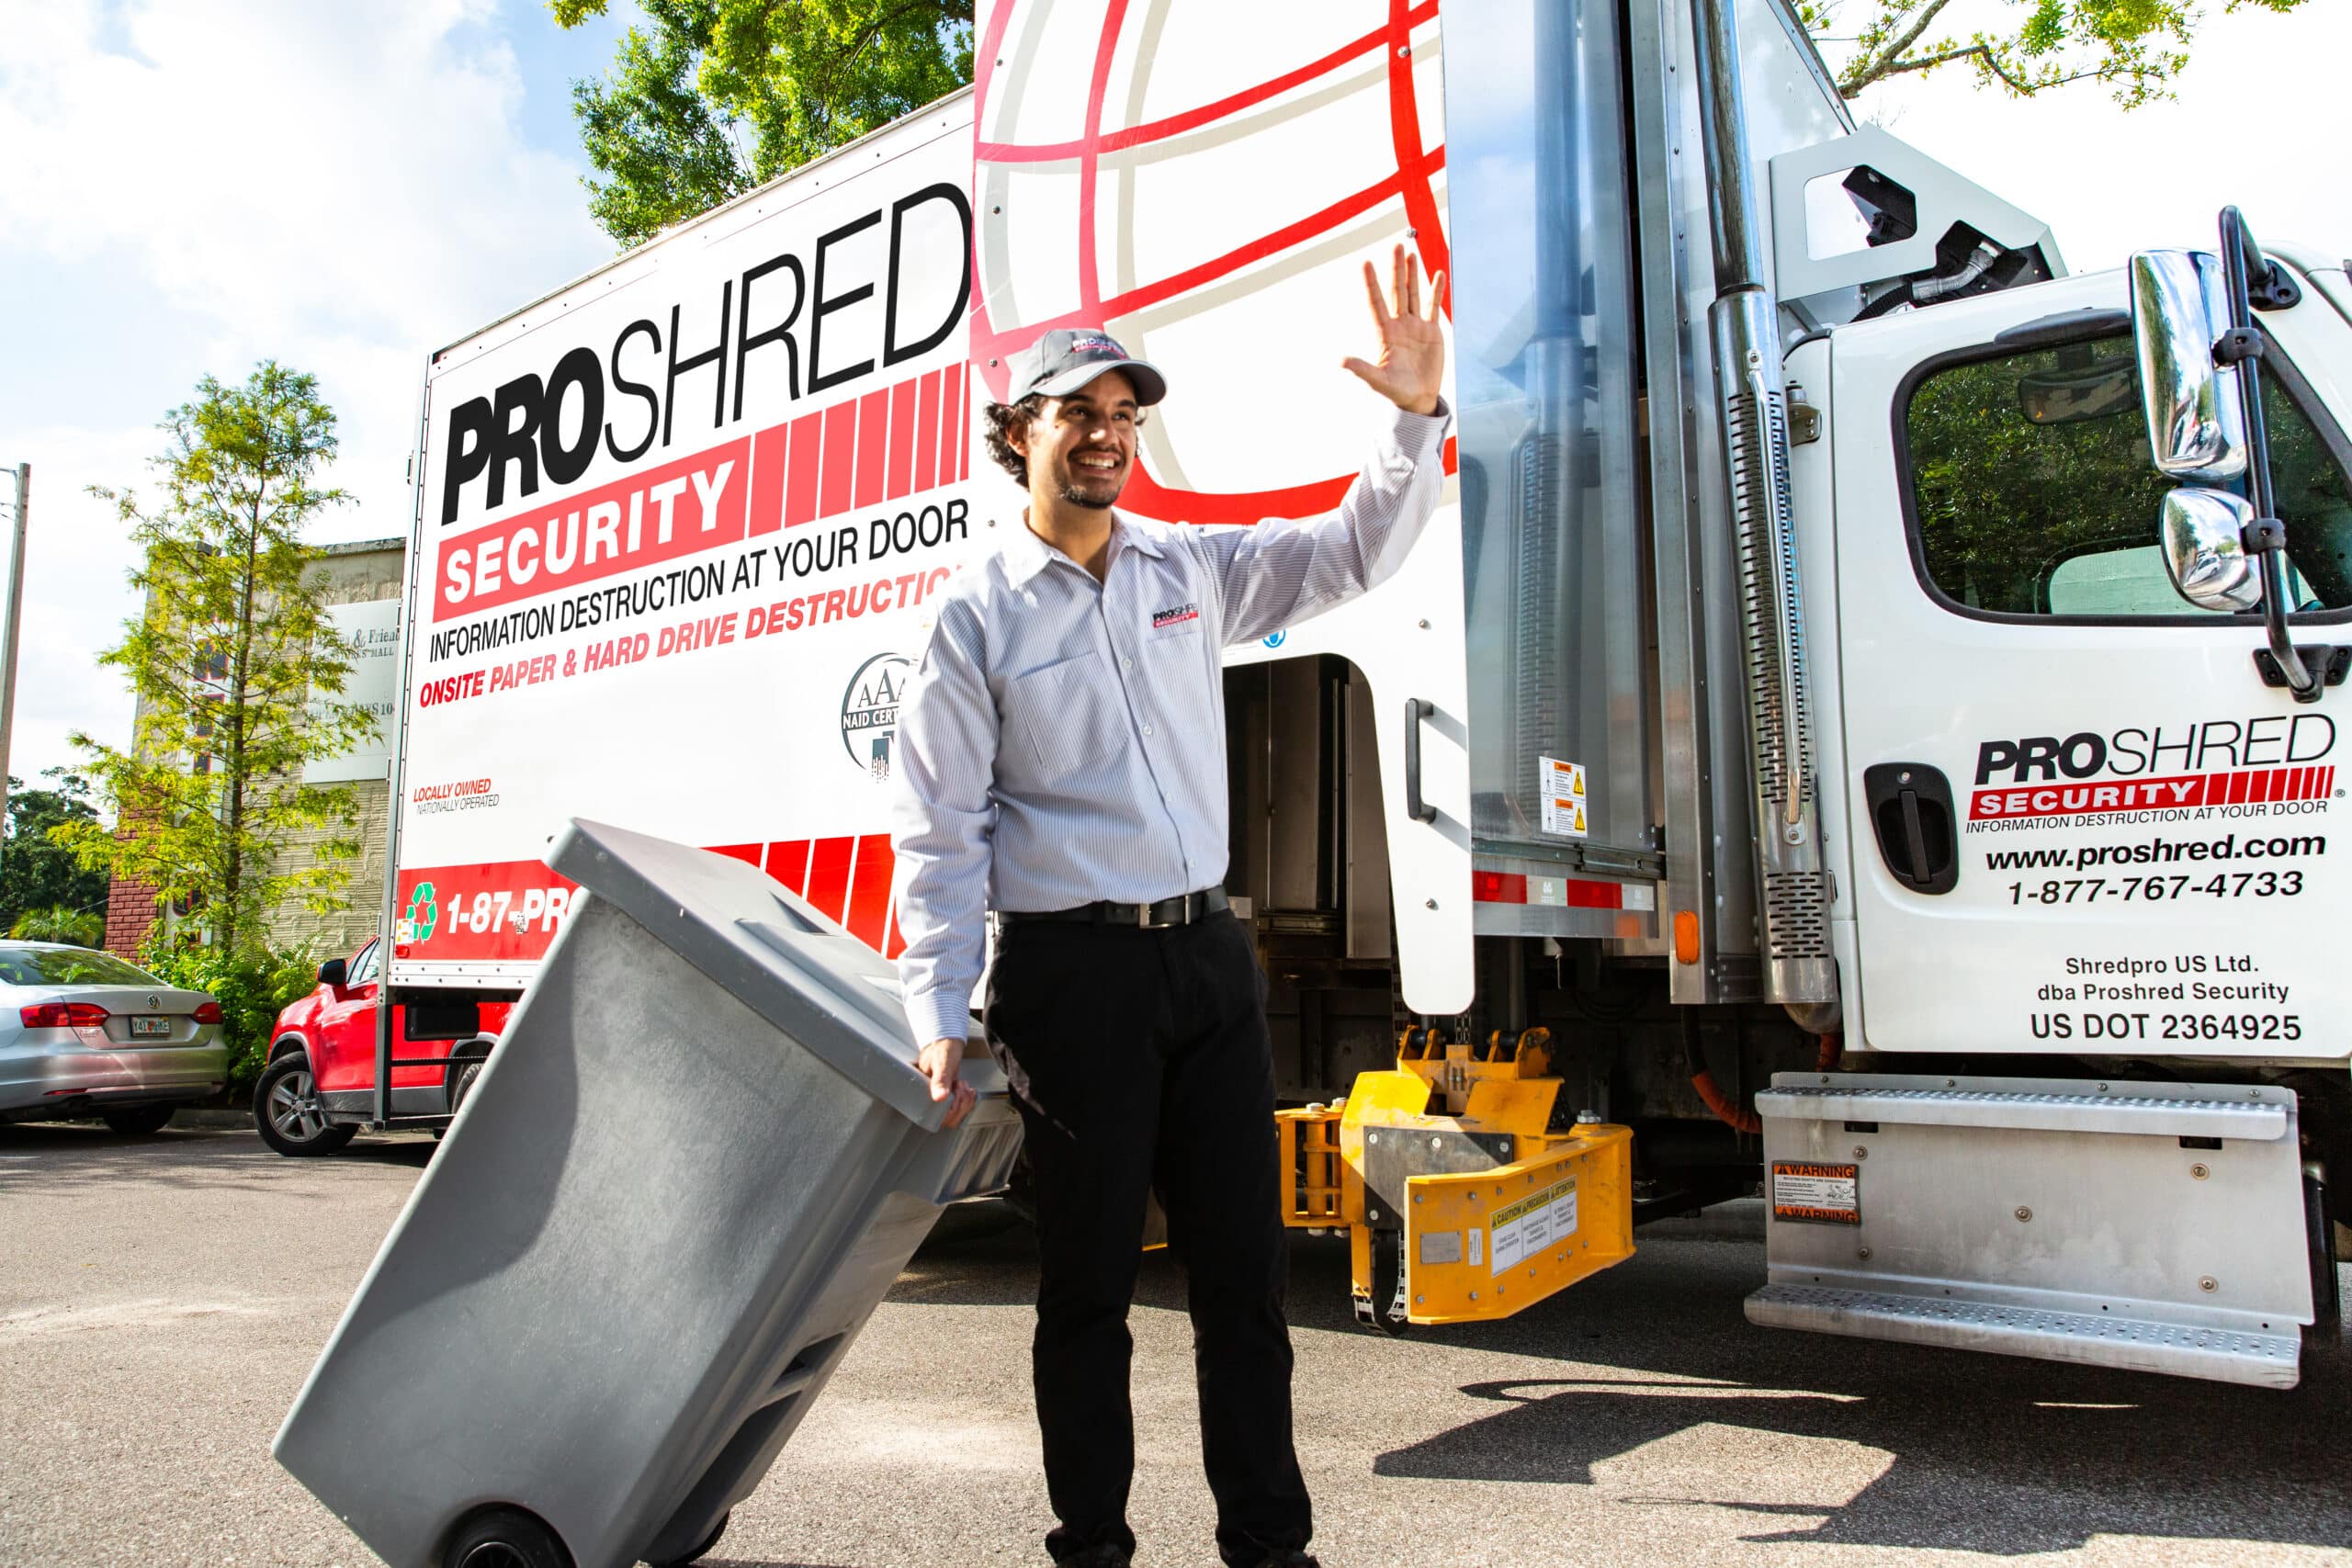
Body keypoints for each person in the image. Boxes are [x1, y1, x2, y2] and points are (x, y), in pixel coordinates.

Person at [888, 246, 1450, 1568]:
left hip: (1206, 958)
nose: (1107, 436)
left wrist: (1412, 419)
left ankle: (1269, 1544)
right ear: (1019, 431)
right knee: (1087, 1287)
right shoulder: (971, 620)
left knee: (1244, 1282)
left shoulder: (1185, 569)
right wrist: (932, 998)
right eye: (1080, 411)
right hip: (1069, 979)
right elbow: (941, 826)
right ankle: (1091, 1545)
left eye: (1125, 415)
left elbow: (1353, 551)